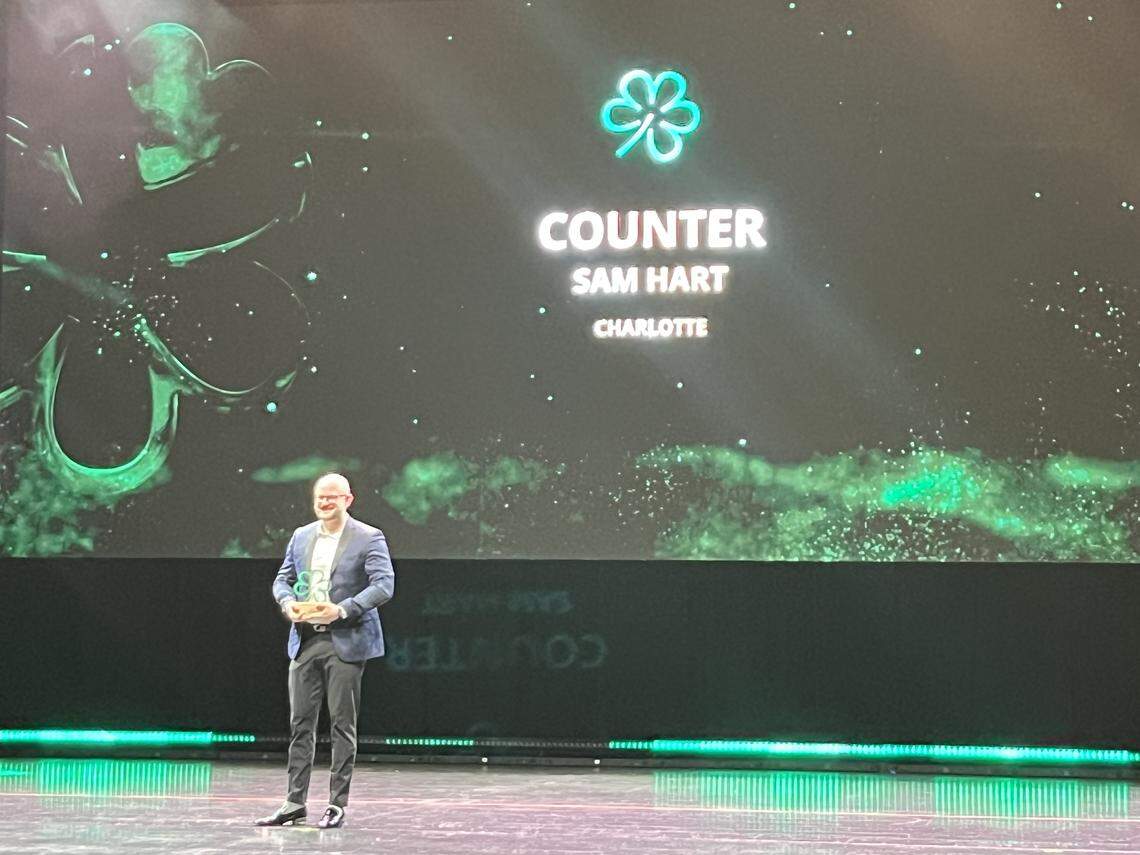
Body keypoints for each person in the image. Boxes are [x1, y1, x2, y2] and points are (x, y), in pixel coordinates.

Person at [255, 473, 395, 829]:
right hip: (305, 640)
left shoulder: (368, 536)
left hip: (345, 640)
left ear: (348, 499)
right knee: (300, 723)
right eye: (320, 497)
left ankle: (336, 803)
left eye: (333, 497)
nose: (325, 503)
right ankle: (293, 802)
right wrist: (287, 603)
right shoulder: (302, 536)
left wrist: (343, 609)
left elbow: (384, 585)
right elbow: (283, 579)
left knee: (341, 725)